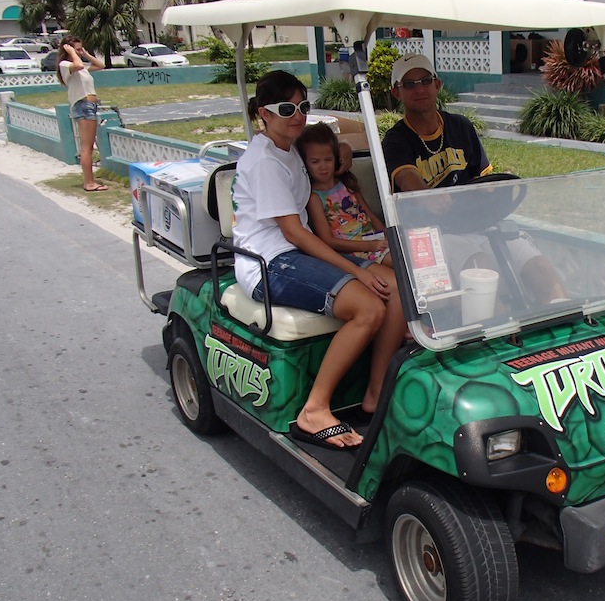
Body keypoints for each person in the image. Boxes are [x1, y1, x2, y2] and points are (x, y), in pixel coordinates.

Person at [231, 71, 405, 449]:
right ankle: (315, 410)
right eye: (287, 109)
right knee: (369, 307)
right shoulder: (265, 162)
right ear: (264, 114)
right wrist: (355, 271)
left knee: (397, 287)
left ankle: (375, 393)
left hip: (295, 253)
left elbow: (326, 141)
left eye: (303, 107)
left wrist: (343, 148)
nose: (298, 116)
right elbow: (295, 233)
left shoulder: (288, 145)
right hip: (268, 261)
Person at [382, 53, 566, 303]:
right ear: (397, 93)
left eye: (425, 81)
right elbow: (406, 177)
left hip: (479, 224)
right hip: (436, 232)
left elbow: (483, 178)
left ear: (437, 85)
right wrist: (427, 196)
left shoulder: (461, 126)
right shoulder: (396, 139)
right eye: (409, 84)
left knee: (540, 268)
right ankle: (500, 325)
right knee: (481, 270)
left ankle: (567, 322)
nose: (420, 89)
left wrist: (491, 191)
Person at [297, 123, 392, 267]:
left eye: (328, 159)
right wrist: (370, 246)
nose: (323, 166)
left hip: (376, 242)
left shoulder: (347, 183)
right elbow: (328, 240)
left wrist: (386, 235)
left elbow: (370, 215)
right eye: (315, 162)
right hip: (353, 252)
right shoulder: (314, 198)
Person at [57, 36, 106, 192]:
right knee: (87, 148)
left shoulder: (81, 66)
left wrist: (85, 53)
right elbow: (77, 65)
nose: (79, 52)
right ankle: (89, 183)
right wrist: (72, 53)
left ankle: (90, 181)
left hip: (89, 105)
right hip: (83, 105)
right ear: (67, 50)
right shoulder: (66, 65)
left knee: (88, 147)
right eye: (77, 49)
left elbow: (101, 65)